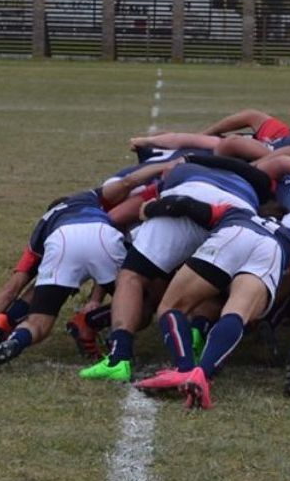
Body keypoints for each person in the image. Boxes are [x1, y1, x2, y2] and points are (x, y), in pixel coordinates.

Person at [132, 196, 290, 408]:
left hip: (235, 232)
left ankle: (184, 368)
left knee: (172, 306)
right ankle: (202, 373)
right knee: (237, 313)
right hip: (271, 250)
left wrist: (150, 208)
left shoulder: (237, 211)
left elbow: (185, 205)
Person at [78, 155, 274, 382]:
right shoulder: (254, 181)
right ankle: (197, 331)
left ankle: (119, 357)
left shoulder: (183, 165)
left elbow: (121, 214)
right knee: (214, 283)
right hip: (237, 215)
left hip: (187, 196)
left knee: (132, 276)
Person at [0, 160, 170, 370]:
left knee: (38, 323)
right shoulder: (86, 198)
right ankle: (91, 323)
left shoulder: (42, 229)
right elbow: (128, 182)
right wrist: (168, 165)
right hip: (100, 234)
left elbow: (11, 289)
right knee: (142, 305)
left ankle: (16, 341)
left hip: (60, 241)